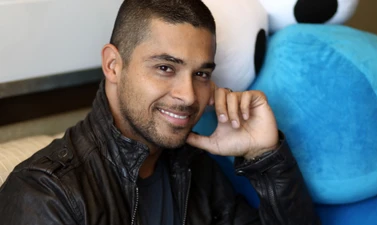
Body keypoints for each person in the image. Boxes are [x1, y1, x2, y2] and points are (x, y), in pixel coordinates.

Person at [0, 0, 320, 224]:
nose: (188, 96)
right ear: (113, 65)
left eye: (202, 74)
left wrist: (266, 158)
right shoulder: (44, 194)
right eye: (165, 67)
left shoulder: (194, 167)